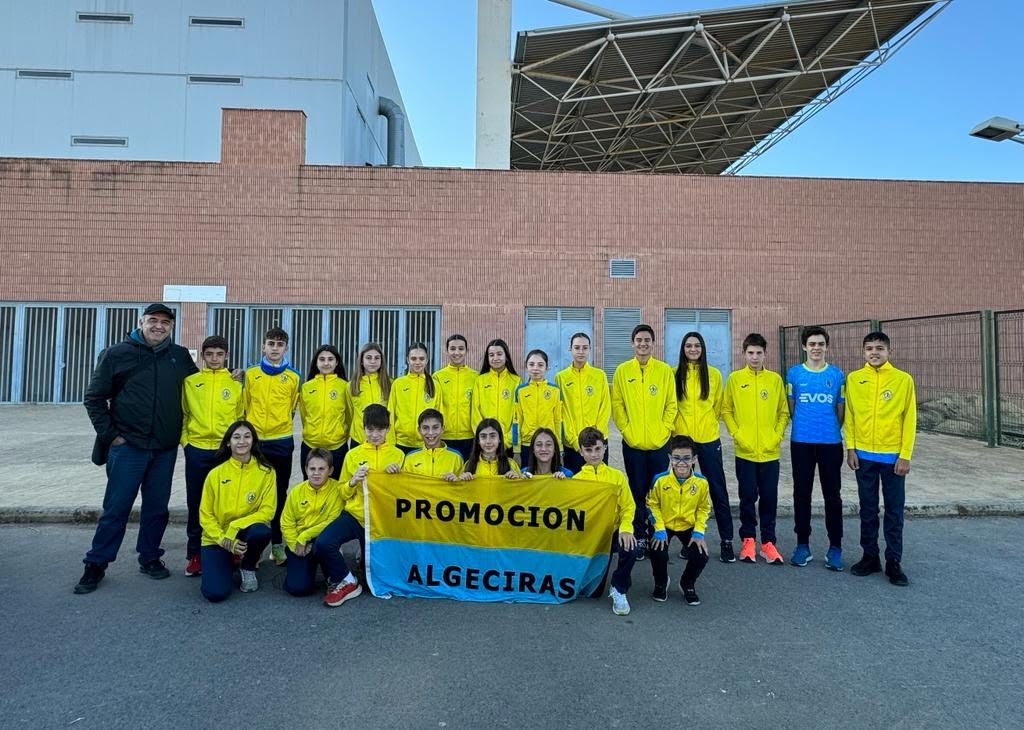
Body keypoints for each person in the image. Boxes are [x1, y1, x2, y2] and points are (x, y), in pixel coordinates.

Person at [76, 302, 199, 595]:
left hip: (165, 449)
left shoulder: (179, 356)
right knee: (116, 509)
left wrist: (228, 379)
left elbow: (199, 387)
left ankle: (150, 556)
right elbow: (94, 398)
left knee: (157, 508)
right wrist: (111, 436)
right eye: (153, 320)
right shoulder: (116, 354)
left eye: (165, 322)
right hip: (128, 447)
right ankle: (96, 563)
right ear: (141, 322)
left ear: (171, 327)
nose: (159, 326)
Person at [845, 331, 916, 587]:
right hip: (863, 456)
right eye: (869, 348)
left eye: (879, 348)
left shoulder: (903, 380)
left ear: (889, 351)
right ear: (863, 352)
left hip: (892, 459)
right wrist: (851, 448)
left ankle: (894, 561)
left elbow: (909, 420)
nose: (874, 352)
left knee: (894, 511)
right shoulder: (854, 379)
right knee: (868, 509)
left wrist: (905, 455)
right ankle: (870, 556)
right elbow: (850, 416)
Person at [316, 404, 404, 607]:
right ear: (363, 429)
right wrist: (353, 481)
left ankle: (362, 570)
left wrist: (396, 478)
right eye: (370, 429)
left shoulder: (398, 455)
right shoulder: (352, 455)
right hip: (355, 515)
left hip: (380, 521)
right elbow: (342, 492)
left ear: (388, 429)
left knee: (371, 578)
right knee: (324, 543)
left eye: (380, 430)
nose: (375, 435)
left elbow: (401, 495)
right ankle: (347, 579)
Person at [611, 324, 677, 560]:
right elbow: (617, 404)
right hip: (633, 444)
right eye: (639, 340)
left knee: (656, 493)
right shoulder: (622, 371)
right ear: (632, 343)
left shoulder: (664, 371)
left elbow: (672, 404)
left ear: (653, 343)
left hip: (659, 444)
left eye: (647, 340)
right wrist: (626, 430)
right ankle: (639, 536)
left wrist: (665, 429)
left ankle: (655, 536)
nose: (643, 344)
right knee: (637, 491)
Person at [722, 333, 789, 565]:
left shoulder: (775, 380)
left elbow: (783, 412)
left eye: (759, 353)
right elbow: (726, 410)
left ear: (765, 354)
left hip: (770, 452)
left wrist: (777, 435)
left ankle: (768, 543)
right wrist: (737, 434)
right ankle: (748, 539)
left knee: (769, 498)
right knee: (747, 496)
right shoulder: (734, 379)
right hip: (745, 451)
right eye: (750, 353)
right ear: (744, 354)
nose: (754, 357)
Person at [180, 335, 243, 578]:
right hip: (196, 449)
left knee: (228, 502)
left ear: (226, 356)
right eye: (210, 354)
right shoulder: (191, 382)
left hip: (225, 451)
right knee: (196, 502)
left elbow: (241, 416)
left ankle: (232, 548)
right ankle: (195, 554)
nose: (215, 358)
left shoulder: (237, 383)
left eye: (219, 354)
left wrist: (235, 447)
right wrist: (186, 443)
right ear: (203, 356)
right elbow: (184, 415)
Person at [672, 330, 735, 563]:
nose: (693, 350)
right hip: (682, 441)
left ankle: (727, 540)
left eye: (697, 346)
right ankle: (688, 542)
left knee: (716, 489)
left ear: (703, 349)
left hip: (708, 440)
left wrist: (707, 427)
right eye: (688, 346)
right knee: (683, 493)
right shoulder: (674, 374)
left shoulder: (715, 375)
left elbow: (718, 406)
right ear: (683, 349)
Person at [786, 326, 846, 570]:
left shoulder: (837, 375)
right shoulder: (794, 374)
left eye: (821, 344)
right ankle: (803, 545)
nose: (816, 348)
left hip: (830, 443)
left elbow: (840, 411)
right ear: (804, 347)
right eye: (812, 344)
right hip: (801, 442)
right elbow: (791, 407)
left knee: (832, 496)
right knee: (802, 494)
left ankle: (835, 547)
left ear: (827, 347)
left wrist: (829, 429)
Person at [198, 420, 276, 602]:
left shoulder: (266, 472)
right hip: (217, 538)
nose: (242, 441)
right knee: (216, 594)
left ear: (253, 441)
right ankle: (228, 559)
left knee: (262, 531)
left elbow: (267, 511)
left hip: (244, 532)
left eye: (247, 437)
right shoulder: (215, 474)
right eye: (236, 437)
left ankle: (248, 566)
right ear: (228, 442)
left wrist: (235, 526)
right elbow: (205, 514)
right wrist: (223, 540)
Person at [571, 427, 637, 616]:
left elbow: (628, 506)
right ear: (581, 451)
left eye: (598, 449)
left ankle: (619, 588)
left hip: (614, 530)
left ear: (605, 448)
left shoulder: (616, 476)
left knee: (631, 548)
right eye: (589, 450)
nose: (594, 454)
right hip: (592, 535)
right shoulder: (577, 481)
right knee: (592, 593)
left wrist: (626, 529)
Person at [646, 435, 712, 606]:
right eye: (676, 458)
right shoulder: (660, 480)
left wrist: (698, 532)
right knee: (656, 549)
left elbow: (704, 508)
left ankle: (687, 583)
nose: (681, 463)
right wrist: (659, 529)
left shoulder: (702, 483)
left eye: (686, 458)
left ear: (694, 459)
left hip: (688, 526)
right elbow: (652, 505)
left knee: (701, 554)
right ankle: (661, 582)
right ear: (670, 458)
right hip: (665, 525)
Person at [280, 448, 346, 597]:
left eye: (321, 469)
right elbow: (286, 522)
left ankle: (332, 575)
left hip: (323, 538)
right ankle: (300, 565)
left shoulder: (337, 490)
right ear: (305, 469)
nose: (316, 473)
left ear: (330, 470)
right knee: (298, 588)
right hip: (299, 540)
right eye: (312, 468)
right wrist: (294, 544)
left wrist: (305, 536)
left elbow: (332, 521)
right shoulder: (296, 492)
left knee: (326, 542)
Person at [555, 332, 610, 473]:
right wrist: (574, 441)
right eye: (577, 347)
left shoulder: (599, 376)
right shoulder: (561, 378)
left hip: (596, 445)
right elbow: (562, 413)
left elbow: (605, 408)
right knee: (574, 485)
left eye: (585, 348)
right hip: (573, 446)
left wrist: (599, 438)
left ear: (590, 349)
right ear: (570, 349)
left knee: (598, 483)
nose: (581, 352)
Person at [298, 344, 351, 481]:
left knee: (336, 488)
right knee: (311, 487)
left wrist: (341, 433)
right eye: (322, 359)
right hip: (310, 446)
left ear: (337, 362)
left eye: (330, 359)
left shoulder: (345, 387)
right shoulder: (306, 387)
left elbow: (349, 416)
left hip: (337, 448)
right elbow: (304, 416)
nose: (326, 363)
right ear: (316, 362)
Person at [388, 342, 443, 453]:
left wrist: (436, 442)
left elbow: (439, 414)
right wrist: (391, 443)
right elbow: (391, 414)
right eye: (413, 359)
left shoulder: (435, 385)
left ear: (427, 360)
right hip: (401, 444)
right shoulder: (398, 384)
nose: (417, 362)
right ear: (407, 360)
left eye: (421, 359)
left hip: (426, 444)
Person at [512, 349, 562, 468]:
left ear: (547, 367)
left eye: (540, 365)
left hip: (548, 445)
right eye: (531, 364)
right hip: (526, 444)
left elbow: (558, 422)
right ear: (526, 367)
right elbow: (516, 422)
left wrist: (560, 450)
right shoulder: (520, 390)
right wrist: (516, 450)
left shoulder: (555, 390)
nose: (535, 368)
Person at [433, 334, 478, 460]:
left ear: (467, 351)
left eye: (461, 349)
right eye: (452, 349)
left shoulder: (475, 377)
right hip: (445, 436)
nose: (456, 352)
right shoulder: (438, 377)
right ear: (447, 350)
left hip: (470, 437)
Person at [470, 339, 519, 454]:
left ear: (506, 356)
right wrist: (484, 438)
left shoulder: (516, 381)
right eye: (491, 355)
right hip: (485, 444)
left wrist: (506, 441)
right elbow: (475, 413)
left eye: (499, 354)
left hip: (507, 444)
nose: (495, 358)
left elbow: (518, 416)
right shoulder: (480, 380)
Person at [347, 343, 392, 447]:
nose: (373, 361)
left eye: (377, 358)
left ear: (381, 361)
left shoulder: (390, 384)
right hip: (359, 441)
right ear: (362, 361)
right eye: (368, 358)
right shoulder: (351, 386)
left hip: (383, 441)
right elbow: (350, 413)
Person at [401, 409, 464, 481]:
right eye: (425, 428)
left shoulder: (456, 457)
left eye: (435, 427)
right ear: (419, 430)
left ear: (442, 429)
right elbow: (405, 486)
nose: (430, 433)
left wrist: (457, 479)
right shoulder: (410, 458)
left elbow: (462, 487)